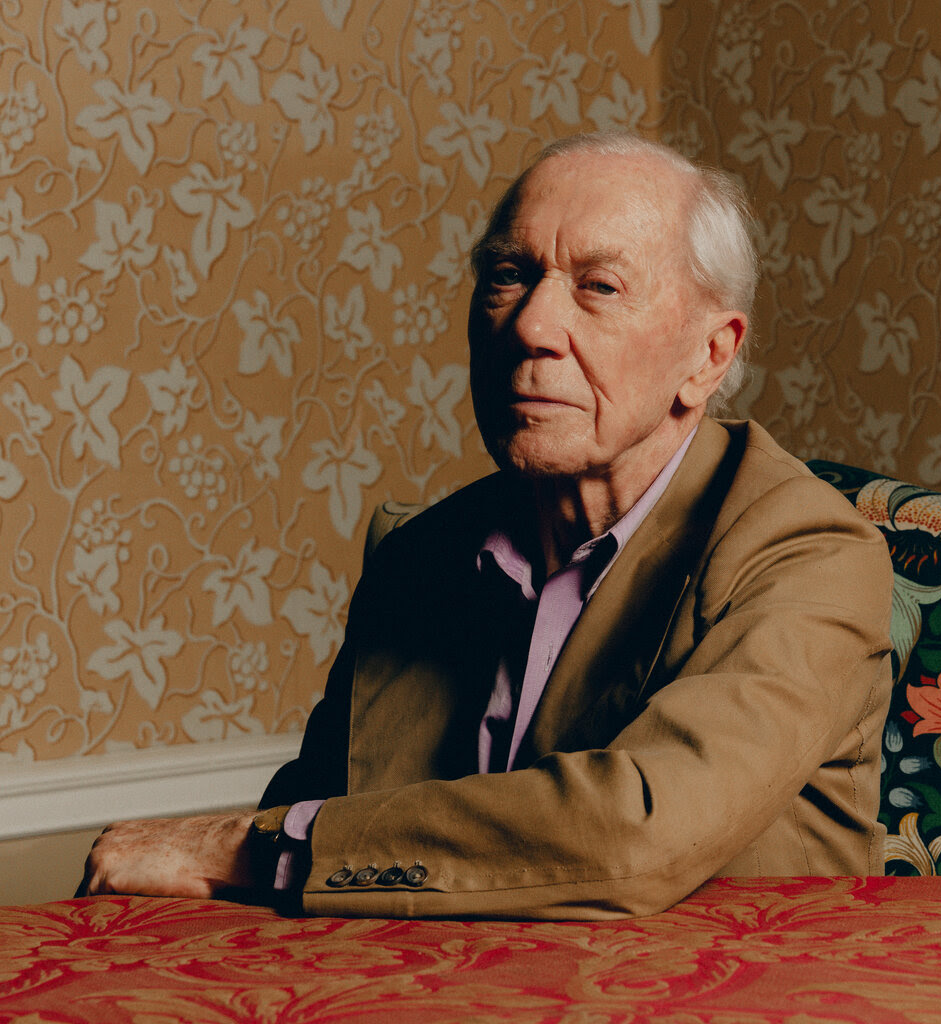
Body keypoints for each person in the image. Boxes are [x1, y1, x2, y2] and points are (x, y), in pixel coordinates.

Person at [79, 132, 894, 919]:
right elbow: (320, 823)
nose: (533, 326)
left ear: (709, 356)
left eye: (598, 287)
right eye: (510, 275)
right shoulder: (419, 558)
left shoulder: (809, 557)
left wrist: (242, 847)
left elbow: (636, 831)